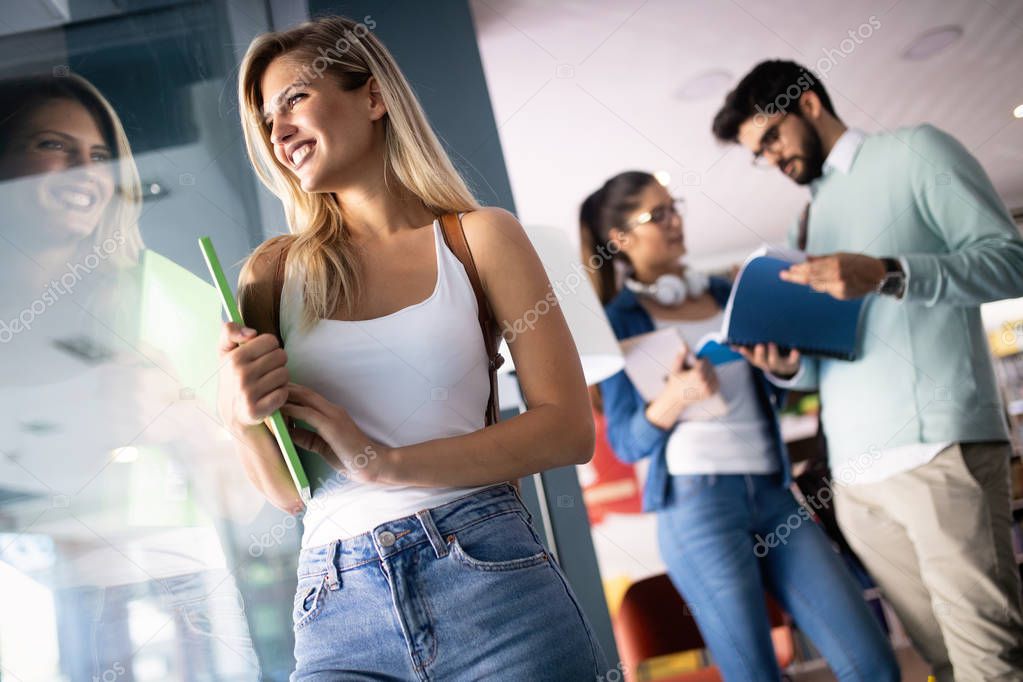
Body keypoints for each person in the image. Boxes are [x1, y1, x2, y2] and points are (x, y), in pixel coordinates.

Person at [219, 15, 608, 679]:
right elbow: (288, 492)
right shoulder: (271, 275)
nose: (277, 132)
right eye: (265, 119)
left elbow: (568, 430)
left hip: (489, 577)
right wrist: (240, 414)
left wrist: (383, 463)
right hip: (336, 603)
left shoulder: (478, 239)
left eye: (294, 100)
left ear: (372, 98)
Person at [712, 59, 1023, 680]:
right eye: (757, 153)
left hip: (936, 449)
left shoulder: (916, 150)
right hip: (856, 478)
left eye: (770, 138)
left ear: (808, 106)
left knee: (988, 658)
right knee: (939, 660)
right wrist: (787, 366)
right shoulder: (808, 219)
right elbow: (829, 357)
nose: (770, 158)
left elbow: (1009, 262)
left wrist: (888, 271)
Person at [589, 171, 898, 681]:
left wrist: (779, 368)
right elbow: (625, 440)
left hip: (773, 493)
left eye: (674, 206)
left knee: (872, 661)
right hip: (697, 506)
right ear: (620, 240)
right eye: (657, 214)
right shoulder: (618, 320)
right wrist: (676, 397)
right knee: (755, 675)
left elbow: (771, 391)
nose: (675, 220)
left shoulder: (728, 291)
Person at [0, 73, 260, 681]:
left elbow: (245, 499)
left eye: (98, 156)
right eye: (52, 145)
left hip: (163, 599)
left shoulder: (171, 300)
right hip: (21, 605)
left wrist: (179, 423)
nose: (83, 171)